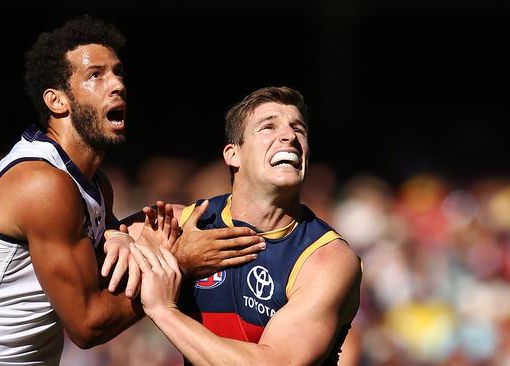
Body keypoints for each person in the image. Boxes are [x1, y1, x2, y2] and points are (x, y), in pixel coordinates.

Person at [0, 15, 265, 366]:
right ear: (57, 101)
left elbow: (105, 264)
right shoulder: (43, 184)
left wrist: (122, 235)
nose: (117, 84)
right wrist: (180, 263)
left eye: (118, 72)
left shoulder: (93, 184)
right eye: (95, 75)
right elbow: (88, 325)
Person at [130, 86, 363, 365]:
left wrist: (163, 309)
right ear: (233, 154)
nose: (290, 136)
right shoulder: (182, 224)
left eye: (299, 129)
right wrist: (115, 237)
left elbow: (276, 363)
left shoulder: (326, 258)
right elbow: (84, 268)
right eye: (268, 127)